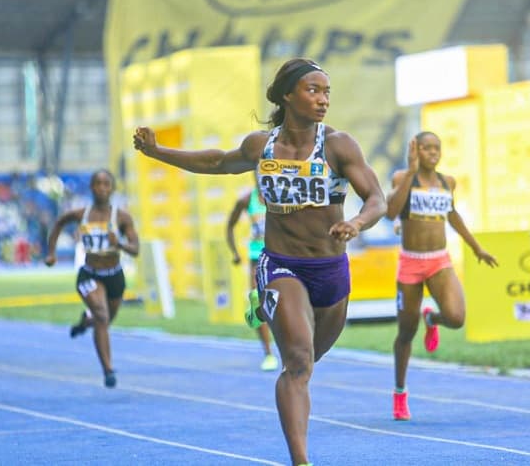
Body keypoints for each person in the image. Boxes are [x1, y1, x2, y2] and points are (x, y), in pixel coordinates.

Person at [134, 58, 386, 466]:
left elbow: (377, 199)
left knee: (307, 364)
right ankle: (300, 460)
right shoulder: (261, 146)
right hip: (281, 263)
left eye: (326, 92)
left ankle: (279, 334)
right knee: (297, 360)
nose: (322, 100)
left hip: (330, 271)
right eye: (312, 90)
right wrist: (157, 151)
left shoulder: (339, 145)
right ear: (287, 95)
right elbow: (217, 161)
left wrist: (356, 222)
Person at [386, 132, 498, 421]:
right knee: (406, 332)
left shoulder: (447, 182)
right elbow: (390, 212)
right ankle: (400, 392)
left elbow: (453, 215)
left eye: (437, 148)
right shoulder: (402, 178)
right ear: (416, 150)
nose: (432, 152)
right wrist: (411, 172)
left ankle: (432, 318)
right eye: (426, 148)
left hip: (438, 260)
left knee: (457, 317)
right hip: (411, 261)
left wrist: (477, 249)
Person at [44, 169, 140, 388]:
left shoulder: (122, 217)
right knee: (102, 315)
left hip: (115, 276)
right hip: (89, 274)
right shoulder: (81, 214)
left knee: (103, 320)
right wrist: (51, 252)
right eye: (97, 183)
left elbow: (136, 249)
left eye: (106, 184)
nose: (102, 188)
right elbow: (59, 223)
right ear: (91, 188)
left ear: (112, 188)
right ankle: (108, 370)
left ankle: (84, 322)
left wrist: (120, 244)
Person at [226, 180, 279, 372]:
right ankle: (268, 353)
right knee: (259, 302)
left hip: (281, 256)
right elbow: (230, 225)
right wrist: (235, 253)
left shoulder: (282, 192)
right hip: (257, 258)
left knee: (283, 305)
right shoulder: (247, 199)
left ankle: (290, 348)